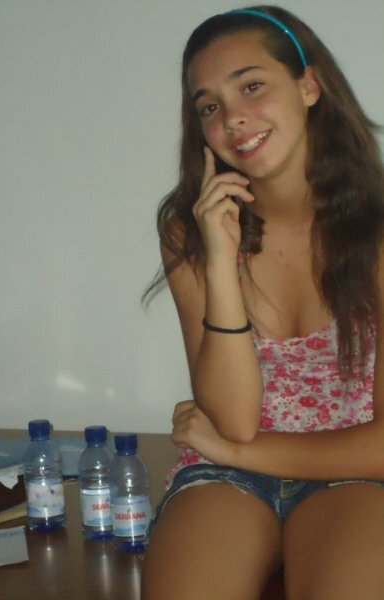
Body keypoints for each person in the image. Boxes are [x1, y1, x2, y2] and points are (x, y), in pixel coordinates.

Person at [141, 5, 384, 600]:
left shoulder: (377, 233)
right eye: (209, 106)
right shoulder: (189, 229)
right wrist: (221, 263)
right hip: (224, 473)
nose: (233, 119)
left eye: (251, 86)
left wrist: (232, 448)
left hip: (352, 471)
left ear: (309, 85)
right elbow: (233, 418)